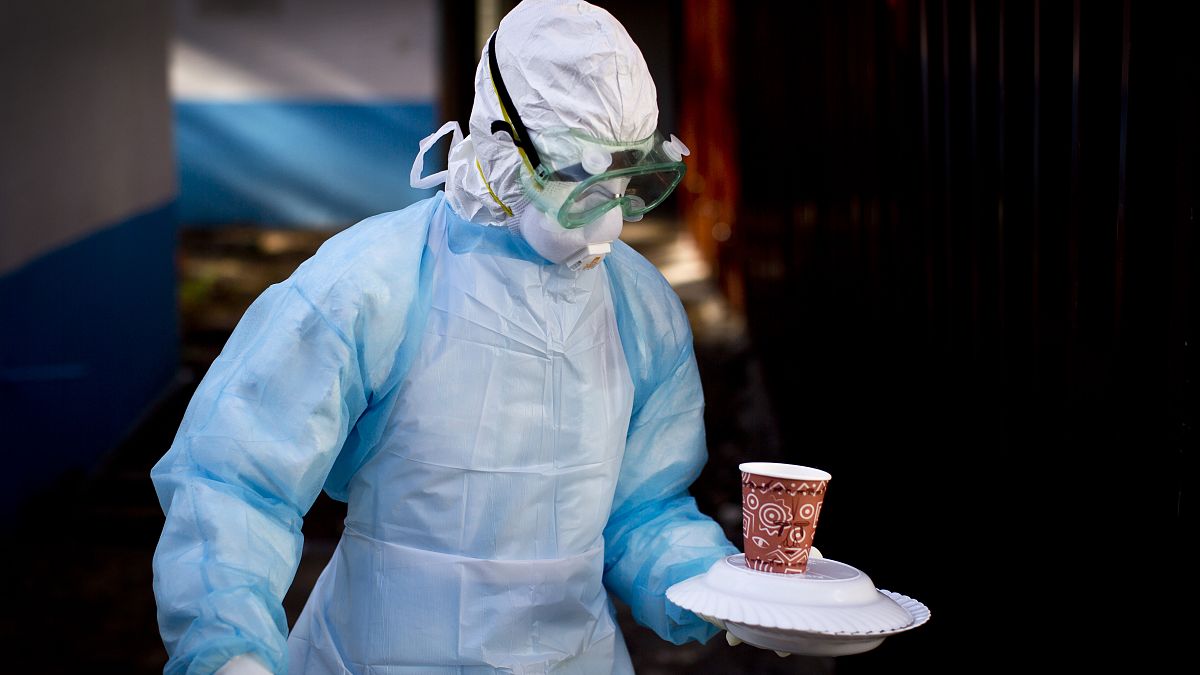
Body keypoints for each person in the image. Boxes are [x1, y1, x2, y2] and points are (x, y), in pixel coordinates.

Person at [151, 1, 745, 672]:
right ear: (500, 143)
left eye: (625, 181)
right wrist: (230, 650)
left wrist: (730, 591)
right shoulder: (374, 282)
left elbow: (644, 509)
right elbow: (236, 480)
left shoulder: (638, 305)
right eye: (577, 183)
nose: (606, 224)